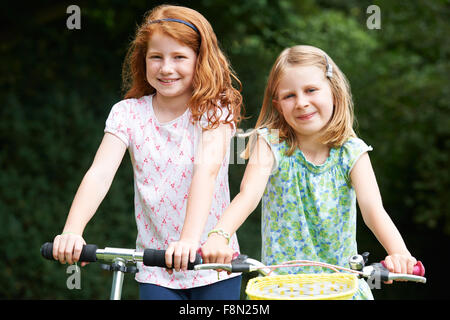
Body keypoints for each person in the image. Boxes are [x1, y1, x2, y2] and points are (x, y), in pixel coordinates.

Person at [51, 4, 244, 300]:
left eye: (179, 57)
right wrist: (72, 231)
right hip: (156, 267)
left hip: (212, 263)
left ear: (200, 60)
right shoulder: (127, 114)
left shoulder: (214, 110)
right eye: (156, 57)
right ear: (143, 60)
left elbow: (206, 171)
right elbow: (100, 174)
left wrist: (189, 241)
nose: (166, 68)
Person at [201, 45, 418, 299]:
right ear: (278, 105)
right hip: (280, 290)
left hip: (341, 290)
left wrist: (399, 253)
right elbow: (247, 196)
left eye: (311, 90)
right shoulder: (269, 144)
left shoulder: (352, 152)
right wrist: (219, 235)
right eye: (289, 96)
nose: (302, 102)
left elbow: (373, 211)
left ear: (334, 93)